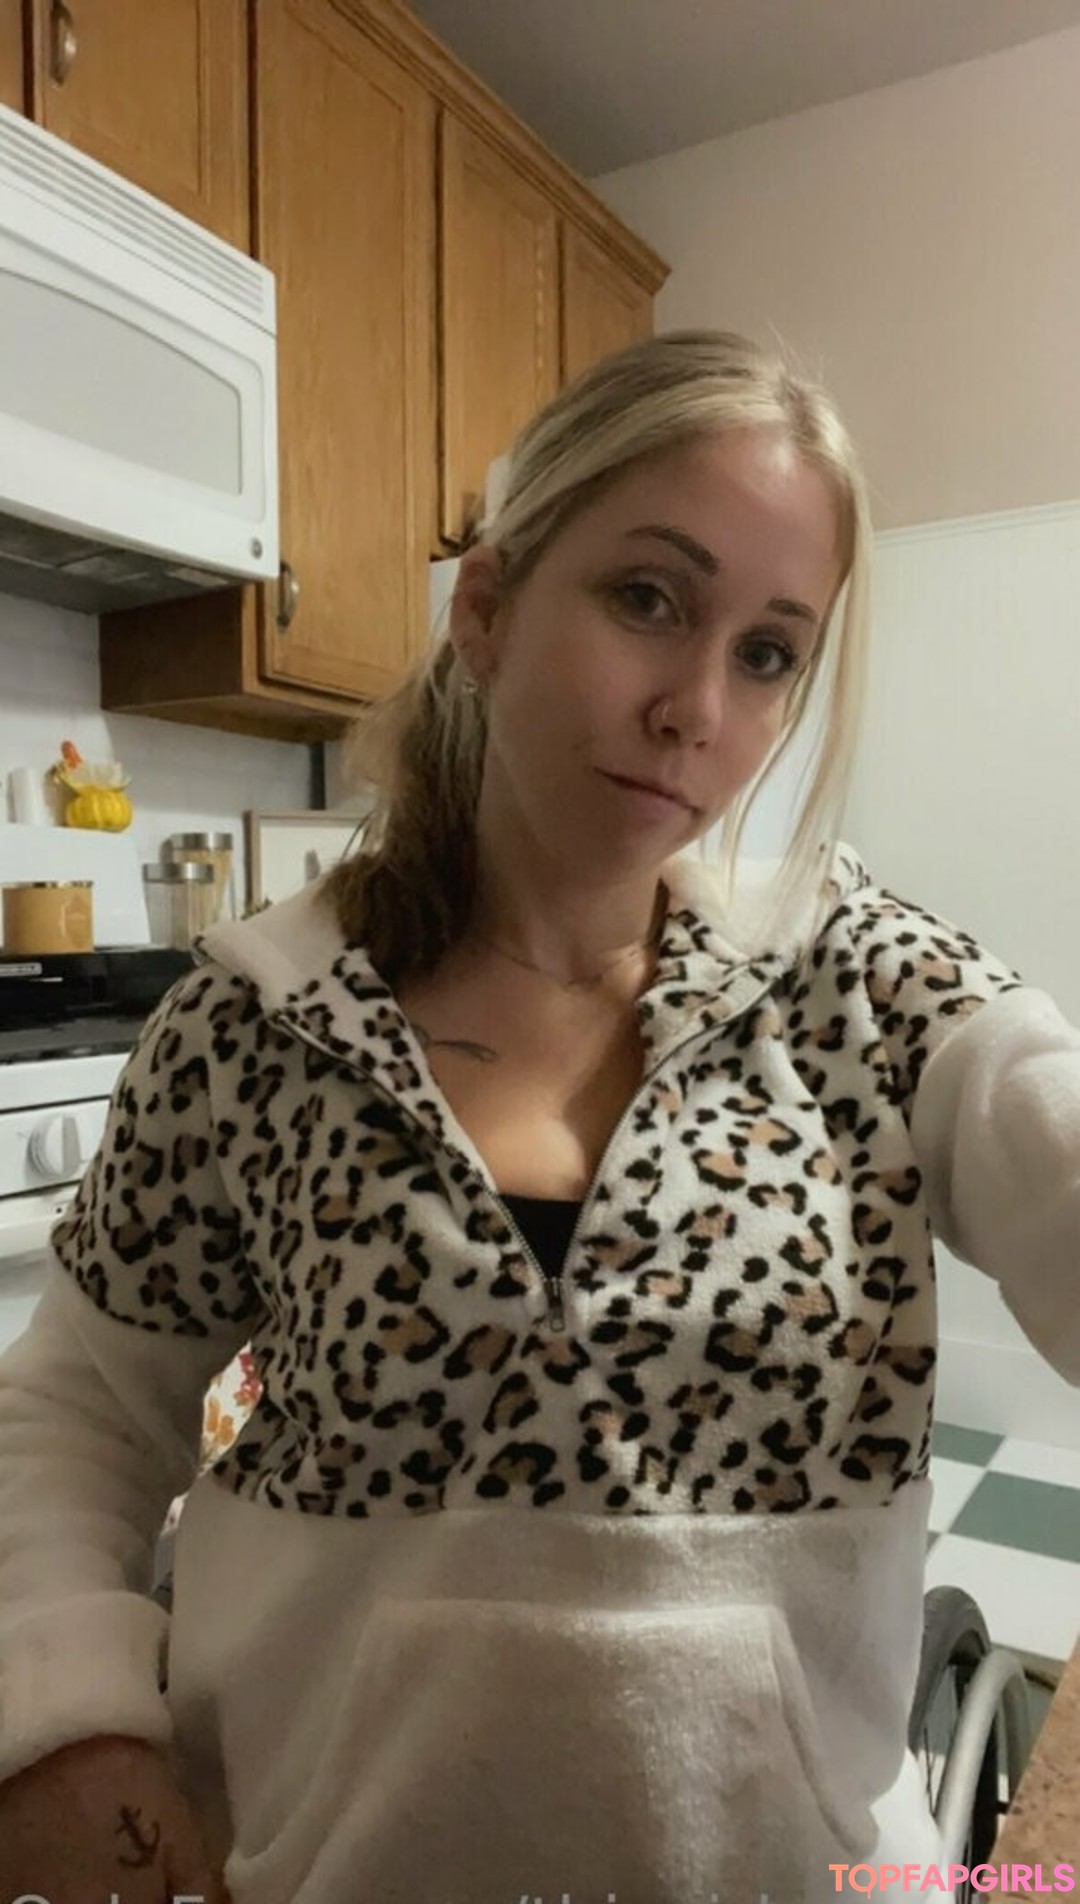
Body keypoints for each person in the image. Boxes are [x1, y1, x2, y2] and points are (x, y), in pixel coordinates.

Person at [0, 329, 1077, 1904]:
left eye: (768, 653)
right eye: (648, 598)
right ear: (488, 609)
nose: (696, 707)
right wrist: (64, 1718)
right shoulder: (261, 1017)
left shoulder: (872, 992)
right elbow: (78, 1411)